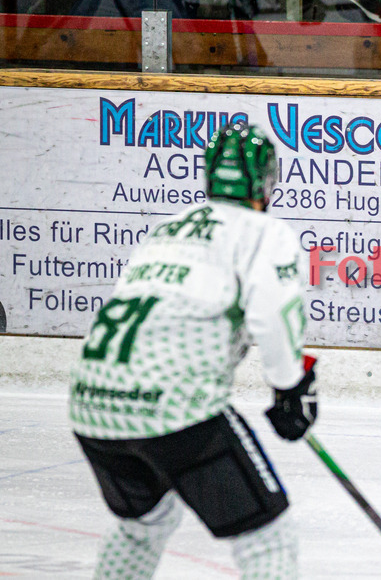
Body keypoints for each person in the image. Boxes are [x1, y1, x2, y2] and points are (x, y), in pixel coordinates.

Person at [68, 124, 316, 577]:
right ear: (266, 180)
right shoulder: (263, 231)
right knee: (267, 541)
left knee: (145, 524)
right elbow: (273, 315)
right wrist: (291, 387)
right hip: (176, 408)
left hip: (92, 403)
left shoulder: (168, 228)